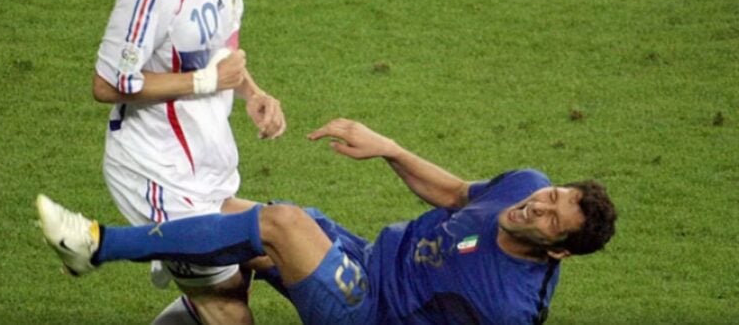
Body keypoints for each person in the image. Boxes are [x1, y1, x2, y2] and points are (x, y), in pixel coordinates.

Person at [38, 118, 617, 325]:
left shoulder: (509, 306)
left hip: (368, 312)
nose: (537, 205)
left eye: (551, 218)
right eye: (552, 195)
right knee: (225, 218)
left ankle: (96, 245)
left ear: (558, 251)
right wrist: (390, 148)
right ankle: (184, 273)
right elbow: (457, 193)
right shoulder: (523, 185)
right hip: (363, 257)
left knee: (283, 226)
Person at [90, 0, 290, 323]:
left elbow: (221, 51)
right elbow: (106, 84)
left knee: (264, 259)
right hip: (155, 172)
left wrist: (252, 92)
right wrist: (205, 81)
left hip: (206, 164)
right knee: (228, 307)